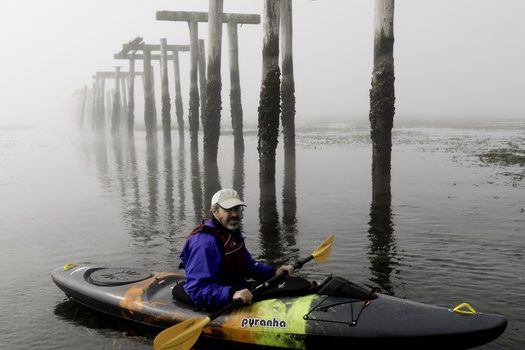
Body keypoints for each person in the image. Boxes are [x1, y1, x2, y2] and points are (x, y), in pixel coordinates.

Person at [179, 188, 294, 308]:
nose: (234, 214)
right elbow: (197, 288)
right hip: (218, 297)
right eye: (228, 210)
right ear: (215, 211)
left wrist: (274, 272)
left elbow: (247, 264)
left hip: (234, 288)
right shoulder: (204, 242)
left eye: (237, 209)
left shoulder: (230, 231)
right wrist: (231, 294)